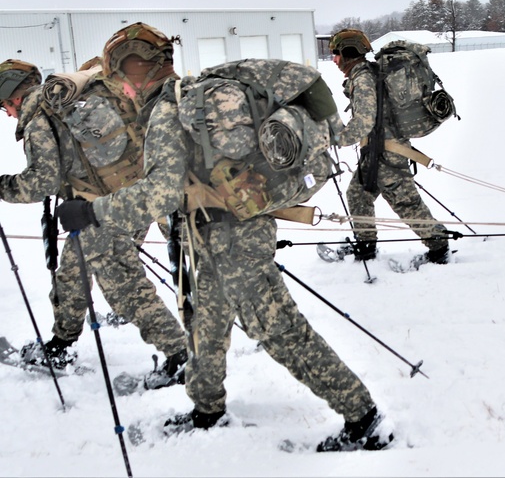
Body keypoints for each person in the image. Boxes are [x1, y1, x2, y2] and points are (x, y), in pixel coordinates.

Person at [54, 56, 394, 452]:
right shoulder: (194, 100)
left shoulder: (169, 110)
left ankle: (363, 416)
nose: (119, 93)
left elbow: (159, 194)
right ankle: (206, 406)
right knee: (208, 322)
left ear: (131, 80)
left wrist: (92, 212)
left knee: (280, 329)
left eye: (118, 83)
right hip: (220, 230)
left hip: (233, 238)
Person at [0, 37, 188, 384]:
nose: (8, 114)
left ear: (13, 96)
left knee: (125, 288)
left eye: (4, 106)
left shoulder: (40, 117)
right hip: (125, 196)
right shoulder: (63, 102)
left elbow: (42, 181)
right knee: (72, 274)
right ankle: (61, 344)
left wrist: (3, 187)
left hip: (100, 210)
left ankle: (180, 354)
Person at [330, 28, 451, 264]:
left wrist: (339, 138)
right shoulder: (364, 73)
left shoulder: (363, 78)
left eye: (336, 53)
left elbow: (364, 121)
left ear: (348, 52)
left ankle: (439, 246)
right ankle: (365, 245)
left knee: (405, 203)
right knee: (358, 194)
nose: (334, 60)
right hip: (376, 151)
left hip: (387, 153)